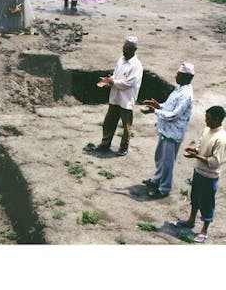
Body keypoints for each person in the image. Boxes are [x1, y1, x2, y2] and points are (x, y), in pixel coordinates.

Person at [141, 62, 195, 198]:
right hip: (166, 129)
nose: (175, 76)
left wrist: (156, 111)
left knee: (167, 162)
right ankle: (157, 179)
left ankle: (164, 189)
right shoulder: (179, 89)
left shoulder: (186, 94)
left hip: (173, 132)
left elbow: (175, 114)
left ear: (186, 77)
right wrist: (159, 105)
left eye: (178, 74)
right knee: (160, 157)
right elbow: (170, 106)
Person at [174, 106, 226, 243]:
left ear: (217, 119)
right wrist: (195, 150)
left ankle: (204, 230)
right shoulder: (207, 130)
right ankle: (191, 220)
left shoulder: (221, 139)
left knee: (207, 203)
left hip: (210, 176)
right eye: (206, 117)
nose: (205, 120)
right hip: (198, 172)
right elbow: (201, 145)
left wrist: (196, 156)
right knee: (195, 197)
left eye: (208, 119)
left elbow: (215, 162)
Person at [88, 36, 143, 156]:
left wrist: (113, 82)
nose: (124, 51)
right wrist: (108, 80)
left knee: (126, 126)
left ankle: (124, 147)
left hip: (126, 100)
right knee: (109, 122)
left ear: (134, 50)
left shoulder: (136, 66)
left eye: (127, 49)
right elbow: (116, 75)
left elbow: (129, 83)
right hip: (115, 98)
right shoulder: (121, 60)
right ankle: (105, 144)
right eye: (123, 48)